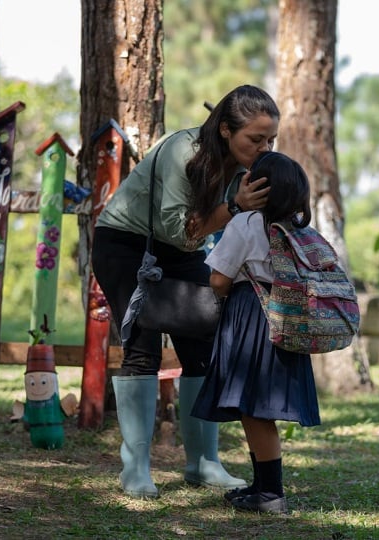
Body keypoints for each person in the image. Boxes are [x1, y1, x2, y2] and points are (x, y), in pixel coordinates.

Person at [91, 85, 280, 499]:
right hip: (127, 245)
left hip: (183, 251)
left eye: (270, 140)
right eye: (255, 139)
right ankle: (135, 469)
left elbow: (197, 238)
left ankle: (203, 463)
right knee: (142, 349)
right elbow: (181, 228)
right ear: (227, 131)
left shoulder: (247, 167)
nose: (264, 147)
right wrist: (236, 206)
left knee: (206, 345)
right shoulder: (184, 151)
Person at [191, 151, 321, 515]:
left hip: (253, 316)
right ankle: (262, 485)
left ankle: (272, 493)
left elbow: (218, 279)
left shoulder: (247, 223)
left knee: (255, 408)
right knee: (255, 408)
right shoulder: (299, 229)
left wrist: (226, 293)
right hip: (288, 320)